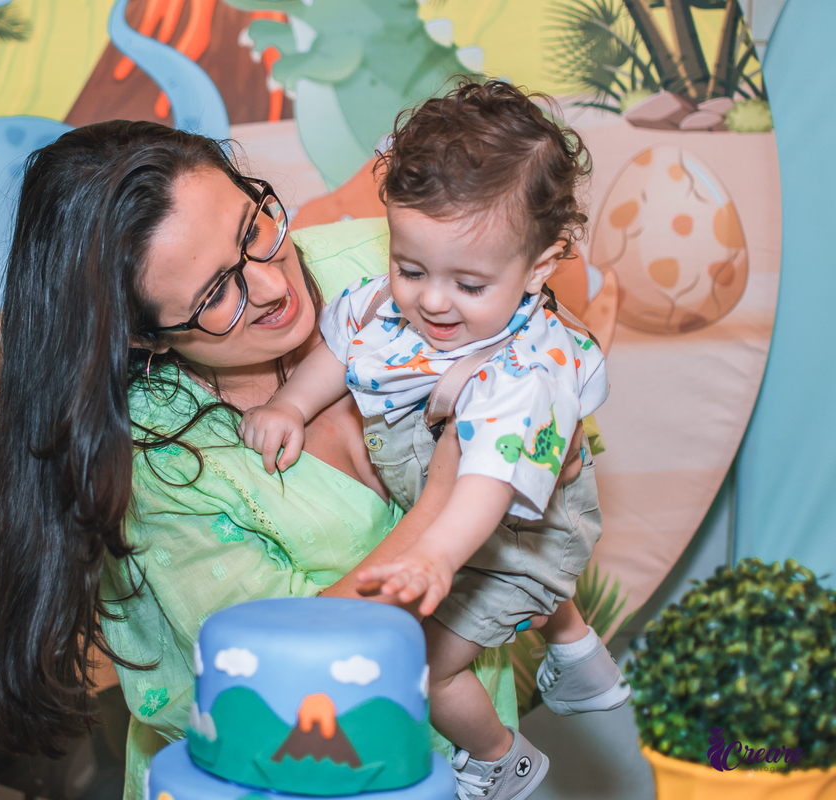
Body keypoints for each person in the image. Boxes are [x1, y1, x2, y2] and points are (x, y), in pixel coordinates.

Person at [0, 119, 582, 800]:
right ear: (145, 337)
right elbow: (287, 679)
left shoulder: (376, 266)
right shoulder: (149, 465)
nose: (269, 285)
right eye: (213, 296)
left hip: (457, 767)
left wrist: (555, 426)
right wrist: (442, 500)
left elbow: (536, 333)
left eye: (252, 227)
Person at [240, 81, 627, 799]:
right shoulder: (397, 303)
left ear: (540, 268)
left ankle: (502, 760)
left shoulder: (524, 372)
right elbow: (351, 343)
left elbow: (487, 481)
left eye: (469, 284)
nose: (433, 301)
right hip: (470, 519)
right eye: (411, 268)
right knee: (527, 602)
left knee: (425, 663)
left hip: (510, 532)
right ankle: (577, 654)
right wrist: (292, 403)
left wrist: (437, 555)